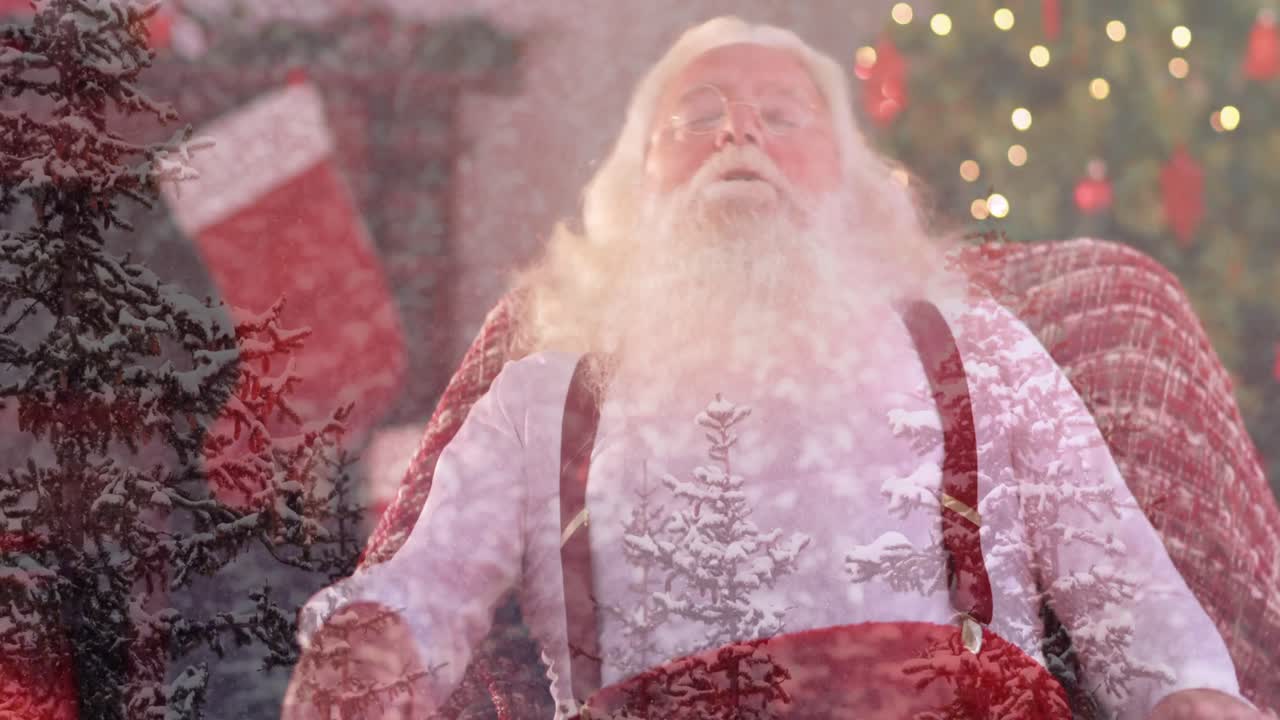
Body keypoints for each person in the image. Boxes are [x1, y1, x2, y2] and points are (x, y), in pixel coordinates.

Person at [282, 17, 1264, 720]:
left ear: (846, 178)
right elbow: (423, 588)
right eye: (696, 114)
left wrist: (1190, 697)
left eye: (779, 115)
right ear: (637, 183)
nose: (734, 133)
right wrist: (370, 641)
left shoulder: (978, 350)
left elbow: (1131, 603)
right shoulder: (545, 395)